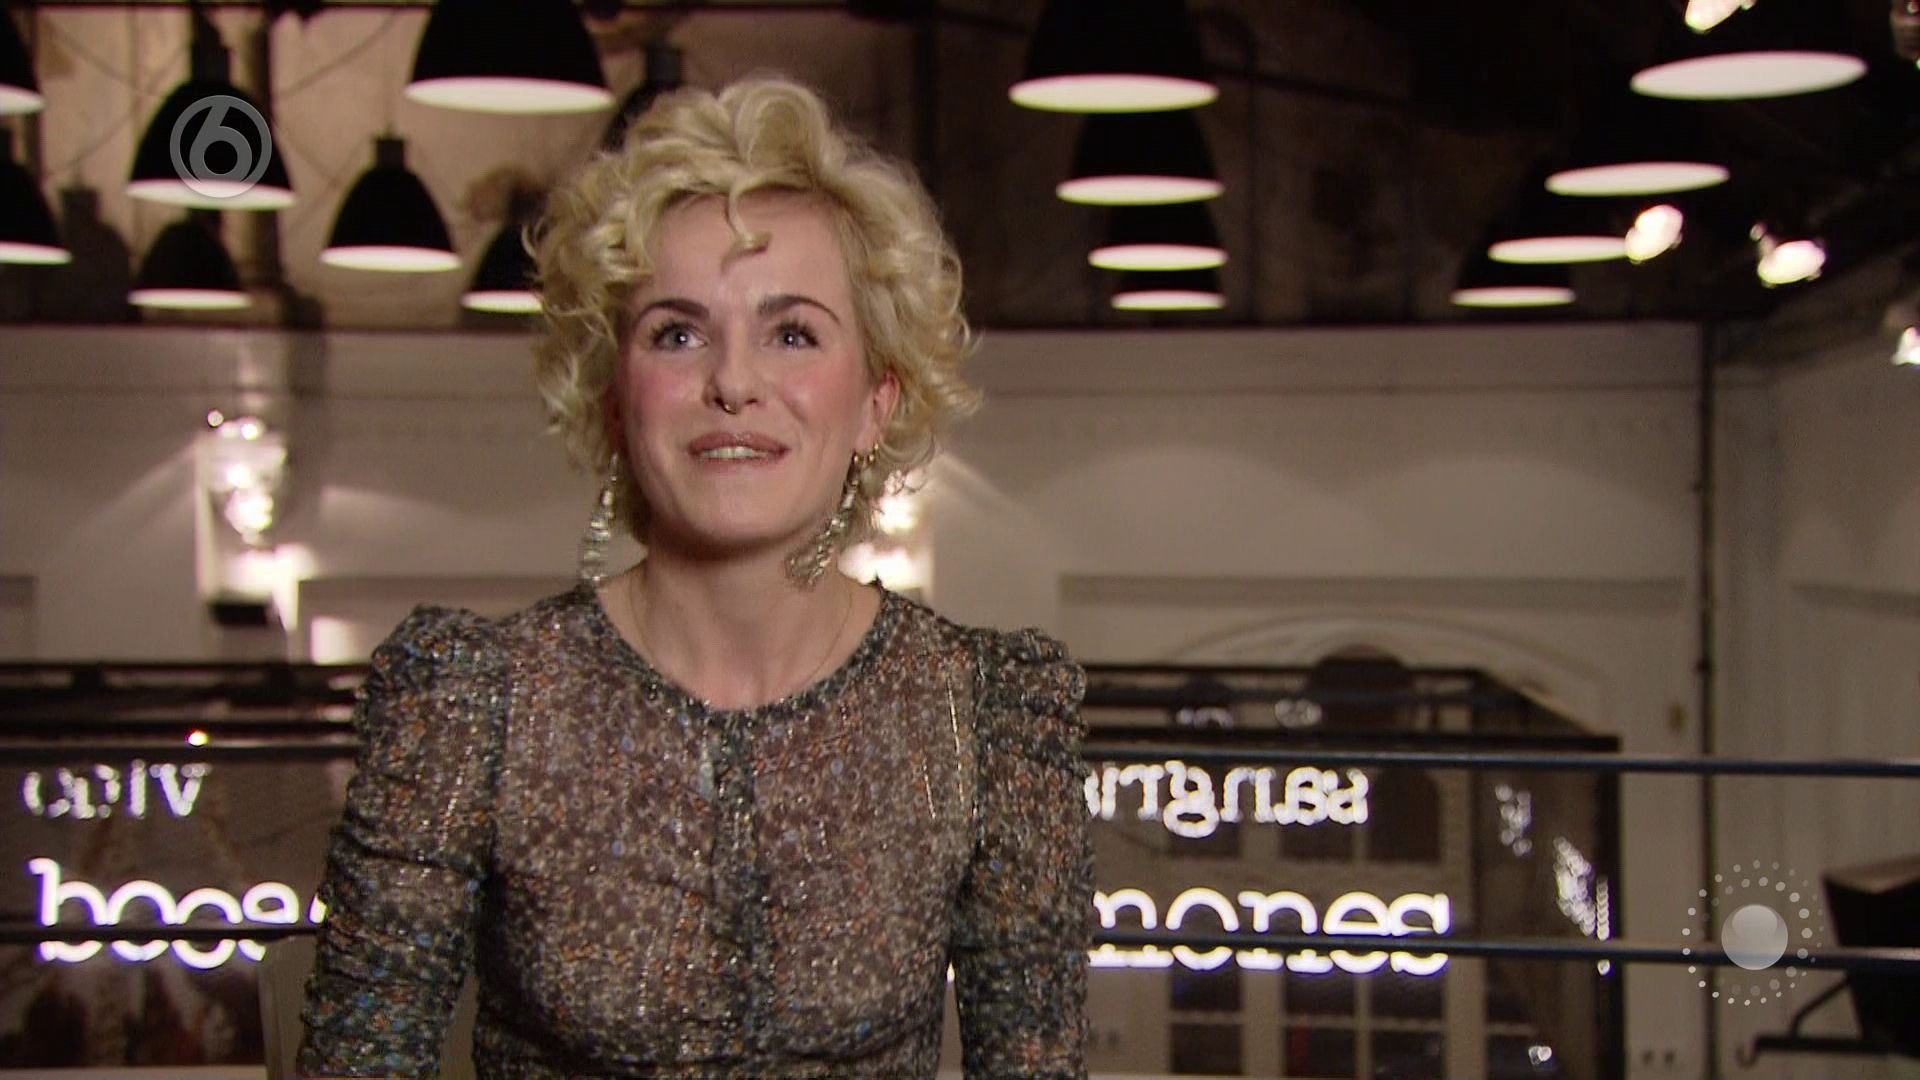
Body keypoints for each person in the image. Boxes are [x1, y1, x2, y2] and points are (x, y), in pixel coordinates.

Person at [295, 75, 1091, 1078]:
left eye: (792, 333)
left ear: (876, 402)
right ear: (616, 399)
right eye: (677, 333)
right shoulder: (474, 700)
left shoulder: (984, 715)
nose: (734, 382)